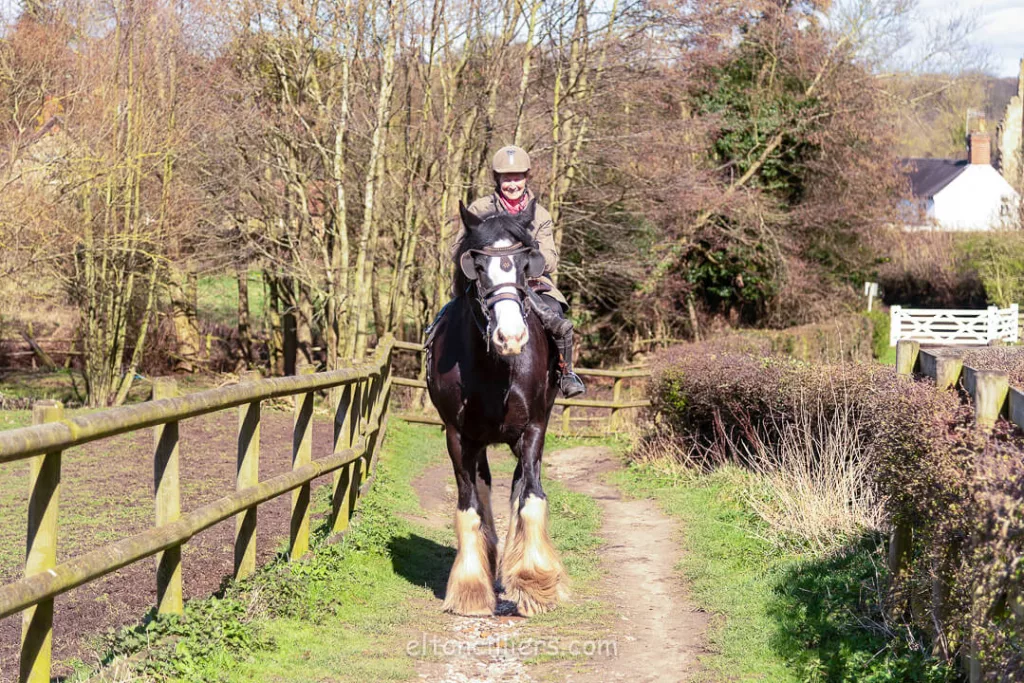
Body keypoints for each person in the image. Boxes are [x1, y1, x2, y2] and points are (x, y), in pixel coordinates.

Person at [452, 145, 585, 398]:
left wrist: (527, 253)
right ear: (497, 179)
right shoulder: (479, 209)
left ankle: (565, 373)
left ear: (526, 178)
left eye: (517, 177)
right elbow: (457, 248)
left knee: (556, 313)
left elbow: (552, 260)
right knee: (451, 314)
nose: (512, 184)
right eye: (506, 178)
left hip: (530, 281)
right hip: (487, 281)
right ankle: (437, 360)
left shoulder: (540, 214)